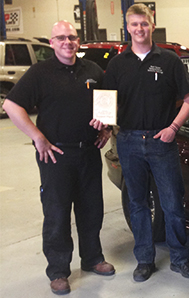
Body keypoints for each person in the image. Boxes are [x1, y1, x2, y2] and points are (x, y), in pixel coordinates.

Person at [3, 20, 115, 295]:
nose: (68, 42)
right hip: (56, 156)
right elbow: (11, 105)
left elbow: (106, 103)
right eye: (61, 38)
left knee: (92, 210)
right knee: (57, 214)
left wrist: (107, 128)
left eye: (72, 37)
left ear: (78, 41)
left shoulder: (92, 70)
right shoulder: (40, 73)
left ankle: (92, 259)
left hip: (88, 152)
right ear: (52, 43)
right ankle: (58, 271)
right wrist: (37, 137)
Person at [90, 3, 189, 282]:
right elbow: (104, 99)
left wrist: (174, 127)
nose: (139, 29)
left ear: (152, 25)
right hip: (128, 141)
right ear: (128, 27)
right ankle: (144, 260)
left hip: (161, 141)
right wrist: (103, 122)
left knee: (173, 202)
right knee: (138, 203)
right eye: (134, 24)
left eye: (144, 24)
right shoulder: (117, 64)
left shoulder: (169, 61)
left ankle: (179, 258)